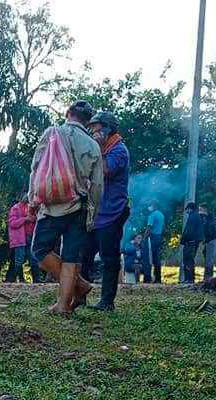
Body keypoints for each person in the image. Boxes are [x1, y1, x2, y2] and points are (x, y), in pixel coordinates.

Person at [28, 101, 103, 316]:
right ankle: (64, 303)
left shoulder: (52, 134)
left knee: (40, 250)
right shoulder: (92, 145)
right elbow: (97, 186)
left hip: (52, 205)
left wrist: (33, 200)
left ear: (68, 113)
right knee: (71, 257)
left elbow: (36, 168)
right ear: (88, 122)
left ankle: (77, 287)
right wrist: (92, 213)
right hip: (79, 206)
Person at [87, 111, 131, 311]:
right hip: (95, 213)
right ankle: (79, 297)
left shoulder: (119, 151)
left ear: (106, 129)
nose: (92, 132)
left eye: (95, 128)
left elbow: (104, 170)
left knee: (109, 259)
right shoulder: (104, 148)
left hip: (112, 213)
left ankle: (107, 302)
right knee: (83, 256)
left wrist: (94, 148)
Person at [6, 194, 35, 283]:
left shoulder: (31, 207)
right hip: (19, 239)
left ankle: (36, 278)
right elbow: (12, 223)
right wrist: (25, 219)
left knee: (33, 258)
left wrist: (33, 219)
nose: (26, 197)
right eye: (24, 195)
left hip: (30, 237)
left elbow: (34, 219)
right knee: (19, 258)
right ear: (20, 197)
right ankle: (19, 279)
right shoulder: (15, 208)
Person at [179, 203, 204, 283]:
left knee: (187, 259)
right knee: (190, 259)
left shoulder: (193, 216)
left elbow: (189, 230)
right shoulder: (196, 216)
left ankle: (188, 279)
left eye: (187, 209)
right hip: (194, 241)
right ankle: (189, 279)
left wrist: (183, 240)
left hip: (190, 241)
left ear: (190, 208)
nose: (186, 211)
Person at [144, 201, 165, 283]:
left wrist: (144, 238)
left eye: (150, 205)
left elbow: (149, 228)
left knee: (148, 258)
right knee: (157, 259)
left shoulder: (152, 215)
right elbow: (164, 227)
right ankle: (158, 279)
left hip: (152, 238)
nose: (149, 207)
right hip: (159, 237)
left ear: (154, 206)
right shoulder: (161, 215)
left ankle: (147, 278)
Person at [199, 204, 216, 280]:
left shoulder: (211, 218)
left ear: (205, 209)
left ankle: (208, 278)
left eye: (201, 209)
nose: (199, 211)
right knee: (207, 258)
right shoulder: (206, 218)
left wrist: (205, 239)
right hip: (208, 240)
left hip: (211, 240)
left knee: (209, 260)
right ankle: (207, 277)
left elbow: (210, 229)